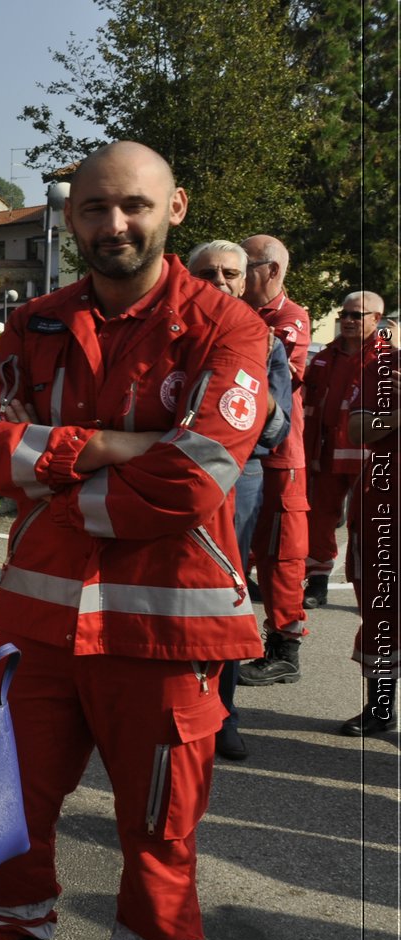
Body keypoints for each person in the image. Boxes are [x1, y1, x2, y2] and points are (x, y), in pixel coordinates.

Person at [0, 142, 269, 940]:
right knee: (8, 805)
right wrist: (119, 446)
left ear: (176, 209)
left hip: (167, 631)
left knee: (157, 831)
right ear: (68, 215)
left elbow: (198, 475)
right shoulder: (36, 320)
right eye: (93, 208)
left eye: (133, 206)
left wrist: (53, 471)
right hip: (41, 625)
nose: (113, 225)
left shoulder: (227, 326)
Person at [186, 240, 291, 762]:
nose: (221, 281)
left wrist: (248, 373)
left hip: (237, 473)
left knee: (223, 593)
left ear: (248, 280)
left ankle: (223, 714)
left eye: (231, 273)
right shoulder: (166, 330)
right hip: (164, 463)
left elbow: (276, 429)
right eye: (208, 272)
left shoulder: (266, 341)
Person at [237, 234, 311, 688]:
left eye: (245, 266)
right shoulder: (243, 315)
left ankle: (285, 649)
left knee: (282, 555)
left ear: (272, 271)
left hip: (280, 458)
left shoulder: (289, 318)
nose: (237, 276)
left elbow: (279, 380)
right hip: (243, 455)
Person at [303, 291, 385, 608]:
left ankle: (375, 591)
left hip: (369, 457)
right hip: (323, 455)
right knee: (320, 522)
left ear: (376, 319)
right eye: (344, 314)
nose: (348, 321)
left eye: (357, 315)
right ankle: (318, 582)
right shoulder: (325, 357)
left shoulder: (387, 359)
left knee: (370, 525)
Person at [340, 316, 398, 735]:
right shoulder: (384, 367)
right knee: (383, 611)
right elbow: (360, 428)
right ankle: (380, 709)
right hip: (385, 506)